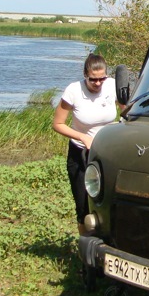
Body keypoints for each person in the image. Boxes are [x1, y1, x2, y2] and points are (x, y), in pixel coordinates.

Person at [52, 53, 118, 233]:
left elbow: (127, 111)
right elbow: (57, 124)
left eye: (101, 79)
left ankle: (108, 244)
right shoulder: (74, 91)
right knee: (84, 206)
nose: (98, 83)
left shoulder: (112, 85)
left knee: (109, 201)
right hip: (81, 154)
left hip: (107, 152)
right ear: (85, 75)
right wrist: (83, 137)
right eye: (93, 80)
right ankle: (86, 253)